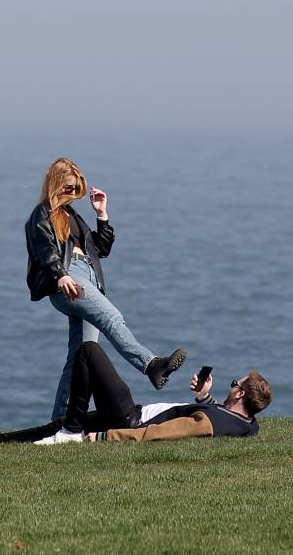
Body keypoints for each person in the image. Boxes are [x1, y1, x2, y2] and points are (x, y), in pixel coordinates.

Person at [26, 158, 187, 419]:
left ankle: (61, 421)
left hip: (87, 276)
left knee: (79, 357)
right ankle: (151, 365)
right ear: (55, 185)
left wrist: (101, 214)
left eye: (75, 188)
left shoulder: (72, 216)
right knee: (112, 317)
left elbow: (100, 249)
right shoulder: (43, 214)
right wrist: (60, 274)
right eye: (67, 187)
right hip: (70, 278)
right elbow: (45, 249)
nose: (72, 192)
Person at [0, 343, 272, 445]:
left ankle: (71, 431)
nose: (232, 384)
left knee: (89, 352)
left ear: (240, 393)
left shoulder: (213, 422)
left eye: (235, 382)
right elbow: (219, 416)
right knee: (60, 423)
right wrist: (204, 397)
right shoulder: (247, 424)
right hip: (130, 414)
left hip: (130, 419)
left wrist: (108, 437)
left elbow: (161, 433)